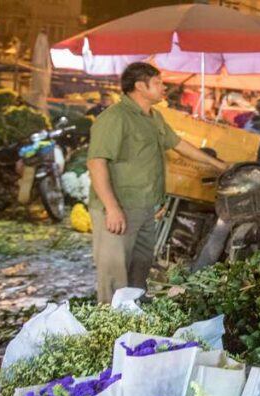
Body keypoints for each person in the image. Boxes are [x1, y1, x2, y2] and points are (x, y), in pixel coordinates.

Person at [87, 62, 228, 304]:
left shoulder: (154, 117)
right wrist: (111, 208)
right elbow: (96, 162)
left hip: (145, 209)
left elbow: (178, 145)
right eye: (158, 82)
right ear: (140, 86)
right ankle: (108, 331)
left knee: (139, 273)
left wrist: (221, 166)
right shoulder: (115, 118)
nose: (164, 87)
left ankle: (133, 326)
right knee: (114, 277)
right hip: (119, 207)